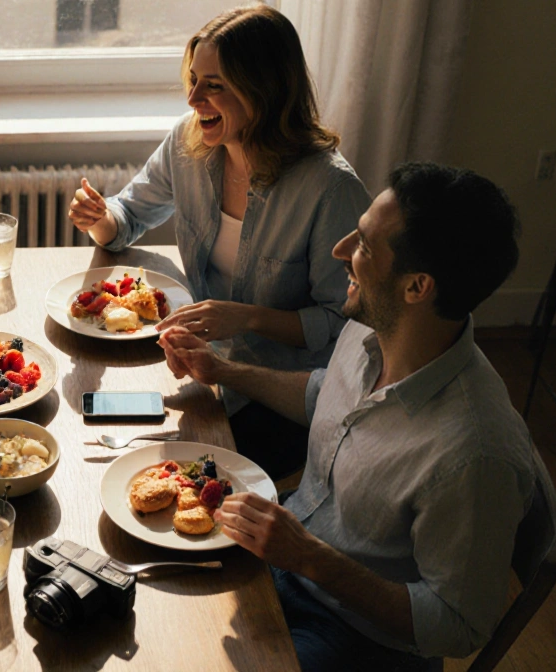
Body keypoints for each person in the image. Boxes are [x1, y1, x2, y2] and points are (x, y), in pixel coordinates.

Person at [159, 162, 534, 671]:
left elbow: (456, 624)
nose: (340, 251)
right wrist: (222, 370)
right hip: (288, 555)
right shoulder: (375, 325)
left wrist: (309, 557)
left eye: (363, 246)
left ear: (417, 286)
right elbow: (322, 394)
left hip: (356, 637)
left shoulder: (476, 454)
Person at [67, 5, 370, 479]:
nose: (193, 99)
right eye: (193, 80)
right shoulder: (188, 144)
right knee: (97, 441)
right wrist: (101, 217)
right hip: (201, 365)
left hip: (280, 392)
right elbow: (127, 218)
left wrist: (246, 317)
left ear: (264, 92)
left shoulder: (331, 189)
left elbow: (343, 324)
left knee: (169, 476)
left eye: (214, 85)